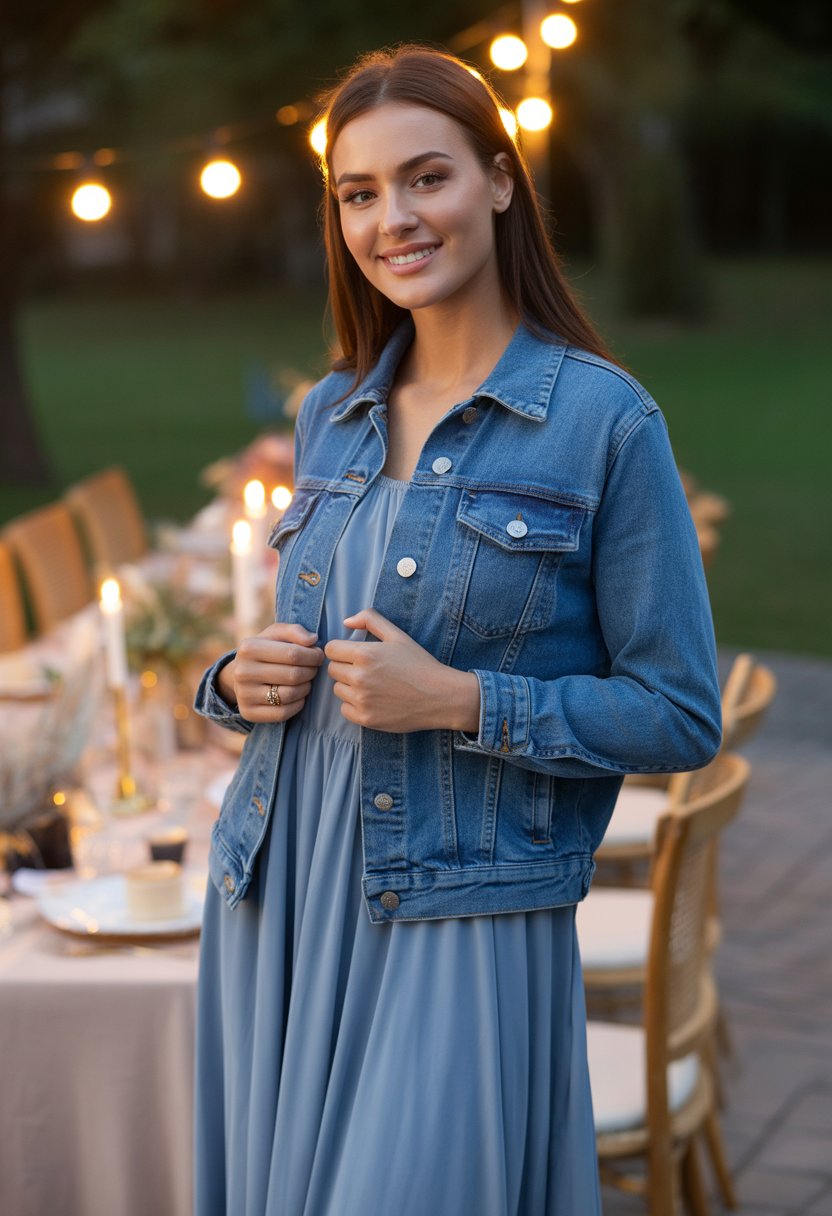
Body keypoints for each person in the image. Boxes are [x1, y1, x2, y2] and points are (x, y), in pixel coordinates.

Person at [193, 45, 721, 1216]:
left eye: (424, 178)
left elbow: (681, 710)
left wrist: (464, 700)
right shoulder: (329, 410)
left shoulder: (601, 421)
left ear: (497, 181)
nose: (393, 219)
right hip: (276, 893)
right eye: (359, 193)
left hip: (461, 910)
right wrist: (242, 678)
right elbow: (315, 660)